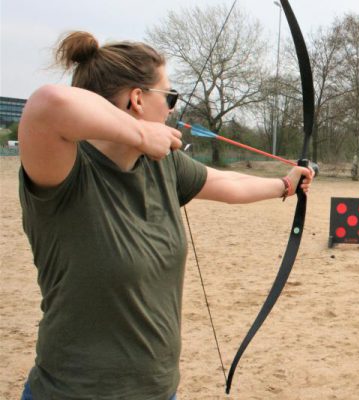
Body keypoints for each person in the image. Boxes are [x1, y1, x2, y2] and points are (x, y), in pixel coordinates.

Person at [18, 31, 313, 400]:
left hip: (158, 392)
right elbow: (46, 105)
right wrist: (141, 135)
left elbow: (227, 183)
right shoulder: (67, 173)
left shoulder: (162, 166)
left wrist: (285, 185)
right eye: (169, 96)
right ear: (137, 99)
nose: (173, 108)